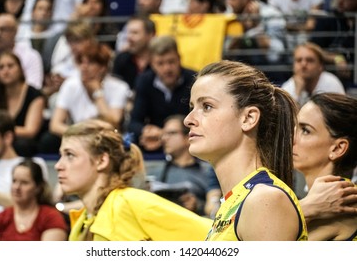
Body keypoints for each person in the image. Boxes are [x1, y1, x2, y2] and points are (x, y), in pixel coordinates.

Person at [184, 60, 307, 240]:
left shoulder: (264, 200)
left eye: (207, 106)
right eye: (192, 107)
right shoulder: (238, 200)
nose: (188, 119)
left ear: (248, 118)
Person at [55, 119, 212, 241]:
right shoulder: (83, 220)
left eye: (70, 155)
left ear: (102, 161)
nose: (58, 165)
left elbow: (217, 237)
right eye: (61, 155)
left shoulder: (130, 202)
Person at [293, 93, 357, 240]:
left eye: (305, 130)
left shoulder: (341, 206)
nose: (292, 137)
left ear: (338, 148)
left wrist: (304, 208)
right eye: (295, 127)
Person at [47, 42, 130, 153]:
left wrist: (97, 93)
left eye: (90, 63)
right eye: (81, 62)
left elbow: (113, 122)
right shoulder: (70, 85)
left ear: (102, 67)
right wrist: (82, 136)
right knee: (48, 141)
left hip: (107, 136)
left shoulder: (119, 87)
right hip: (78, 135)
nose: (84, 67)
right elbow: (55, 125)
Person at [128, 35, 196, 153]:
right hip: (155, 143)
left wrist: (168, 134)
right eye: (160, 63)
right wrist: (146, 130)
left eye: (171, 62)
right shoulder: (144, 81)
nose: (167, 69)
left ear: (179, 58)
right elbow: (134, 123)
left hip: (188, 144)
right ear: (151, 63)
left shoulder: (194, 80)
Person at [0, 158, 68, 241]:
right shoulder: (0, 218)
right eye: (14, 181)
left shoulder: (51, 217)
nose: (17, 187)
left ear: (38, 187)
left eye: (24, 182)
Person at [0, 51, 44, 157]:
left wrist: (1, 132)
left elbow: (30, 131)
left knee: (22, 145)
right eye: (1, 67)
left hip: (24, 141)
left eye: (10, 66)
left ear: (20, 69)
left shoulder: (34, 94)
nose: (6, 71)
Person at [149, 114, 211, 216]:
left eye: (171, 133)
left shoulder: (208, 171)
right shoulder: (154, 171)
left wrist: (197, 205)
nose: (164, 138)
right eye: (163, 134)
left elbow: (217, 207)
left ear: (187, 137)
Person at [282, 42, 345, 107]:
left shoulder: (332, 83)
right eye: (299, 60)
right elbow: (288, 116)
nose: (303, 64)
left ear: (320, 66)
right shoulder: (287, 88)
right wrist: (297, 93)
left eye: (310, 60)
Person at [19, 0, 86, 36]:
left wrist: (79, 11)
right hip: (41, 37)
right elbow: (24, 26)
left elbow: (88, 0)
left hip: (67, 35)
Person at [112, 15, 155, 90]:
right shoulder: (121, 60)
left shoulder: (161, 60)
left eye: (135, 33)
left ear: (150, 35)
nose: (129, 38)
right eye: (128, 33)